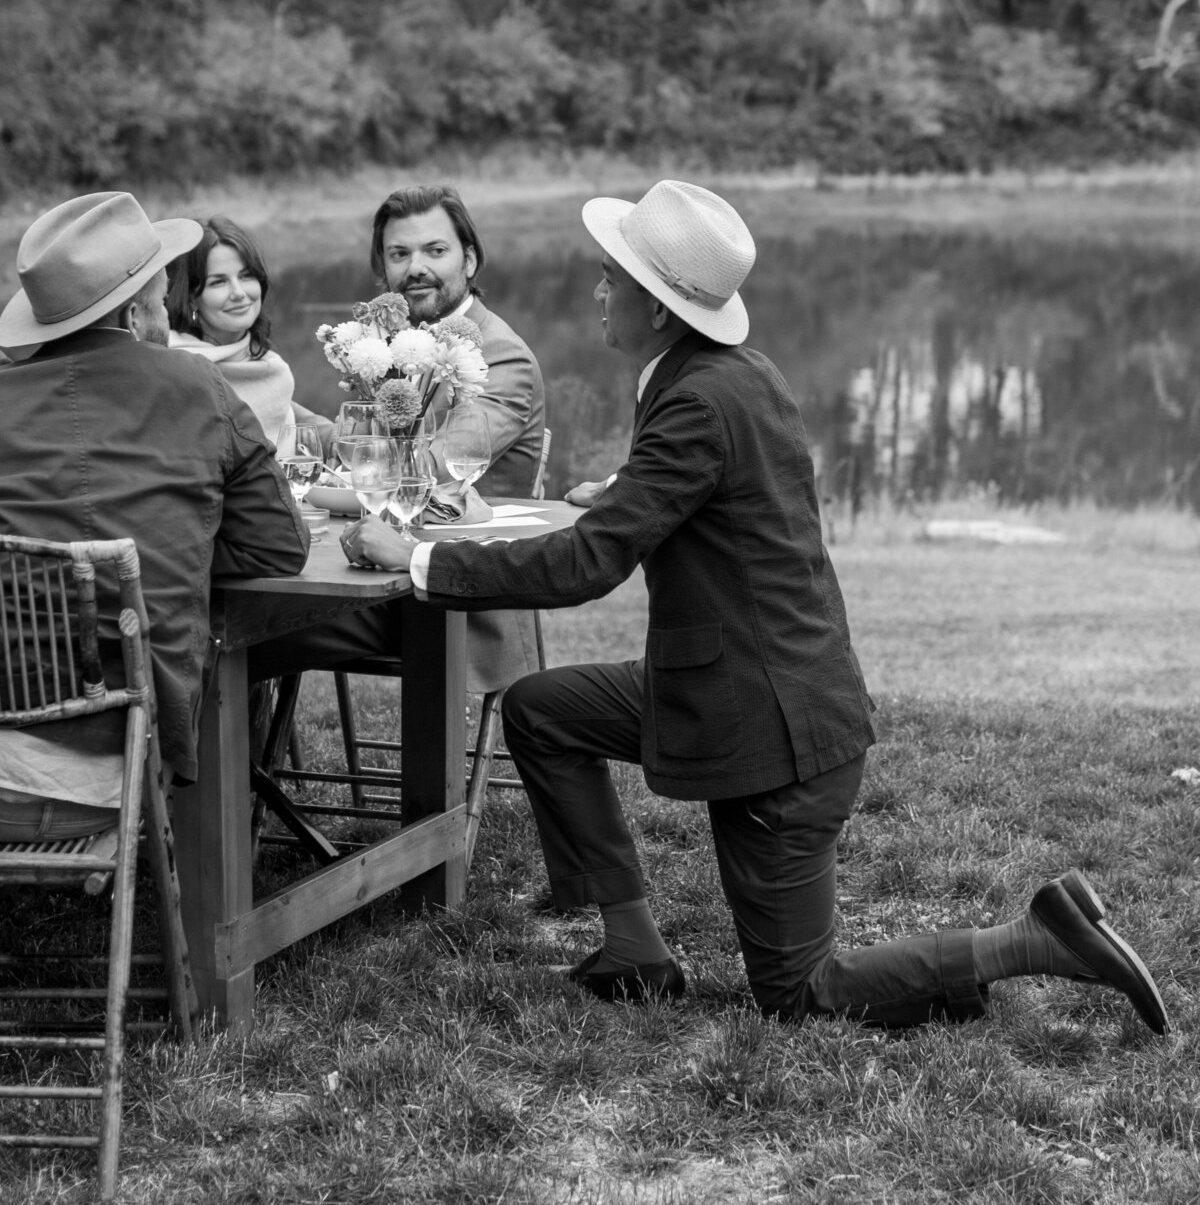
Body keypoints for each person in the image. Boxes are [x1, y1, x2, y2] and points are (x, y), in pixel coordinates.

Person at [338, 179, 1169, 1036]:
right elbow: (731, 486)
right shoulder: (729, 373)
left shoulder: (695, 397)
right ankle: (634, 951)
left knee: (800, 992)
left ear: (659, 309)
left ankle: (1037, 938)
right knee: (545, 711)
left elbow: (590, 564)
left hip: (773, 728)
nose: (596, 291)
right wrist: (625, 490)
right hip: (726, 681)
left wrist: (419, 556)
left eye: (610, 278)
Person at [0, 192, 310, 840]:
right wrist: (170, 547)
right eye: (164, 276)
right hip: (126, 754)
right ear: (138, 302)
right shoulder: (196, 387)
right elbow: (279, 547)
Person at [249, 182, 546, 693]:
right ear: (382, 267)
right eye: (399, 254)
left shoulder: (501, 357)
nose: (416, 268)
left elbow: (423, 471)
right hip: (368, 577)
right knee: (238, 605)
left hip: (452, 598)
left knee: (242, 628)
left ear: (470, 260)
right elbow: (355, 442)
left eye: (435, 250)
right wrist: (266, 396)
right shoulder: (389, 343)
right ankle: (240, 761)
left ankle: (231, 768)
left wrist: (324, 470)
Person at [166, 214, 331, 452]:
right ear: (191, 298)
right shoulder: (175, 367)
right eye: (218, 282)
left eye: (246, 276)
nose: (239, 292)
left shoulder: (273, 370)